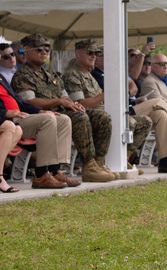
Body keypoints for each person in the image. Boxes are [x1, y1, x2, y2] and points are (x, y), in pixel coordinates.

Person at [12, 34, 117, 183]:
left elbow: (65, 97)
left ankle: (95, 163)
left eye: (47, 49)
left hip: (61, 113)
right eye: (40, 49)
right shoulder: (23, 75)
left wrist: (74, 104)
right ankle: (88, 166)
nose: (44, 52)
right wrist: (60, 101)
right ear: (27, 51)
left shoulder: (51, 74)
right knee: (79, 118)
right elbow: (30, 101)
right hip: (39, 115)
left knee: (102, 117)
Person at [62, 39, 153, 174]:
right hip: (88, 115)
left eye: (96, 53)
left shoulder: (88, 74)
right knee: (123, 121)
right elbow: (81, 104)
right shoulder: (72, 75)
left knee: (145, 122)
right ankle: (98, 164)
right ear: (78, 54)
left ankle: (123, 158)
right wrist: (108, 92)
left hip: (103, 113)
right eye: (90, 53)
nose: (93, 56)